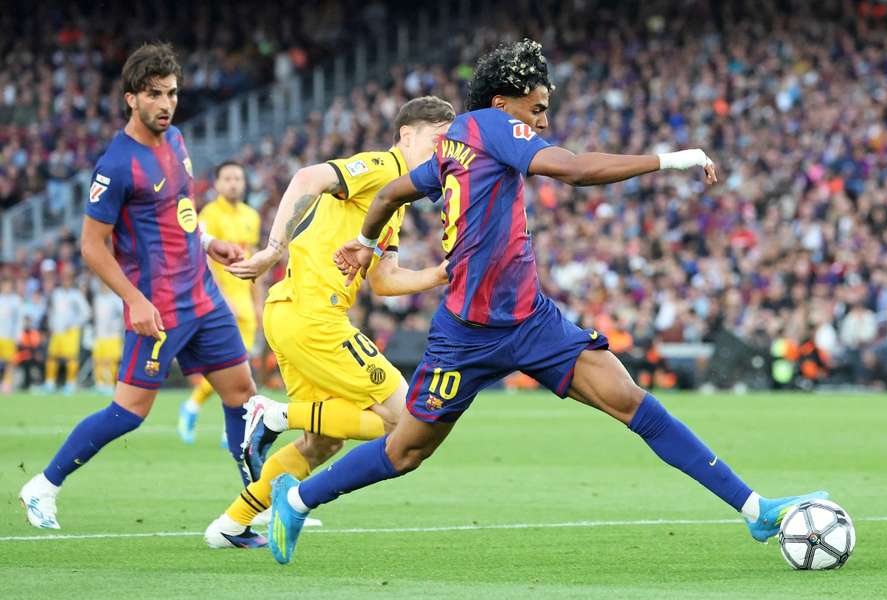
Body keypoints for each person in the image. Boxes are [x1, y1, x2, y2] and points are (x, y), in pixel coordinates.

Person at [267, 39, 827, 564]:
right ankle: (296, 500)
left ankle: (755, 511)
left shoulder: (457, 143)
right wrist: (673, 160)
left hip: (531, 321)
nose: (543, 122)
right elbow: (576, 169)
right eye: (535, 110)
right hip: (464, 333)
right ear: (501, 101)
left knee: (632, 402)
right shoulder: (490, 125)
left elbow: (393, 192)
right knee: (407, 449)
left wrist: (365, 244)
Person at [19, 42, 256, 531]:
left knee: (243, 397)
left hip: (204, 297)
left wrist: (210, 242)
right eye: (154, 94)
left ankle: (259, 500)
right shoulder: (115, 164)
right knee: (128, 413)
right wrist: (135, 300)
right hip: (160, 307)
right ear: (132, 98)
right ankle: (42, 486)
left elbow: (178, 217)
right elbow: (91, 246)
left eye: (171, 93)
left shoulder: (179, 142)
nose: (166, 104)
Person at [203, 96, 454, 548]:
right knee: (406, 419)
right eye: (437, 142)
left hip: (291, 314)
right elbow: (308, 177)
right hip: (315, 317)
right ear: (406, 136)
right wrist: (274, 248)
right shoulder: (382, 169)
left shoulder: (392, 205)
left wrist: (441, 274)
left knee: (322, 444)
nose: (442, 155)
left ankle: (231, 524)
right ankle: (275, 413)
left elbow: (385, 280)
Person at [178, 161, 261, 444]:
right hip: (219, 300)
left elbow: (253, 261)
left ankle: (206, 413)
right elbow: (202, 259)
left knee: (241, 368)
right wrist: (222, 298)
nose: (234, 183)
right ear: (217, 184)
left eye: (238, 178)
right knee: (229, 367)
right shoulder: (208, 215)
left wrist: (258, 301)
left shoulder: (252, 216)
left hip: (246, 303)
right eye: (227, 178)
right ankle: (201, 411)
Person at [43, 266, 90, 394]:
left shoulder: (76, 295)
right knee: (52, 356)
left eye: (68, 278)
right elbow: (52, 311)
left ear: (72, 279)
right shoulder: (56, 293)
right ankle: (49, 383)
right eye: (64, 277)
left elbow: (86, 313)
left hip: (71, 332)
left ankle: (70, 384)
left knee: (71, 358)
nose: (66, 280)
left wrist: (74, 324)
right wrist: (52, 325)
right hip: (57, 331)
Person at [92, 280, 124, 395]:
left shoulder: (115, 299)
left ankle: (110, 384)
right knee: (98, 360)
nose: (103, 287)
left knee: (111, 361)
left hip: (113, 335)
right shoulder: (97, 298)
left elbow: (122, 315)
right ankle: (99, 384)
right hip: (99, 335)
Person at [0, 278, 23, 393]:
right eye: (5, 285)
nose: (7, 288)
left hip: (9, 336)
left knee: (9, 361)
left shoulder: (15, 301)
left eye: (9, 286)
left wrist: (18, 336)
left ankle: (7, 383)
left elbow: (18, 320)